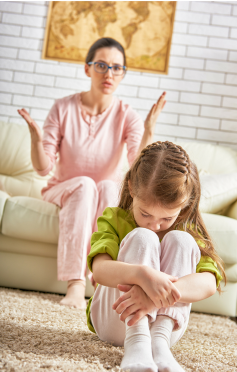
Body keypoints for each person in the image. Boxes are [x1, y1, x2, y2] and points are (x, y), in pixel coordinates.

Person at [17, 37, 166, 310]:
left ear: (123, 74)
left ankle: (102, 281)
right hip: (63, 188)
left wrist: (149, 131)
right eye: (101, 65)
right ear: (87, 69)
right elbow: (43, 168)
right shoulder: (62, 107)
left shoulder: (126, 114)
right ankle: (75, 284)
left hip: (101, 191)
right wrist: (37, 141)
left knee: (110, 188)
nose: (108, 73)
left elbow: (138, 167)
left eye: (116, 67)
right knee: (86, 185)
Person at [86, 141, 226, 372]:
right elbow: (99, 270)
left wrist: (154, 297)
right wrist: (143, 276)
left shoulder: (186, 229)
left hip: (165, 329)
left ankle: (159, 347)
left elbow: (209, 283)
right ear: (131, 189)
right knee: (142, 237)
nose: (155, 224)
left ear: (184, 205)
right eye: (145, 213)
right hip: (114, 321)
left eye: (167, 218)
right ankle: (137, 341)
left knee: (182, 241)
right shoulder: (115, 218)